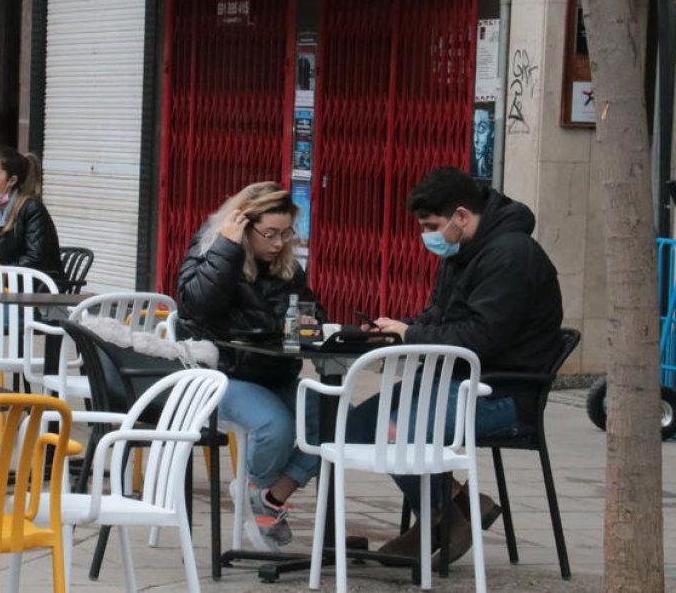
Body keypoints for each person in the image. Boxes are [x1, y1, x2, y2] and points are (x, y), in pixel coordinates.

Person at [353, 166, 564, 565]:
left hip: (502, 394)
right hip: (452, 382)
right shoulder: (464, 251)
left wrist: (410, 335)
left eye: (432, 225)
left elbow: (481, 339)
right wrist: (396, 329)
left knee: (398, 430)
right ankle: (458, 508)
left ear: (462, 216)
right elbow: (442, 317)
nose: (428, 236)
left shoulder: (511, 256)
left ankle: (443, 521)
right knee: (362, 424)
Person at [175, 181, 323, 550]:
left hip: (274, 370)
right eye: (269, 234)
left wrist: (309, 323)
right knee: (276, 426)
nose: (278, 243)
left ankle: (267, 497)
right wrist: (226, 247)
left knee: (333, 419)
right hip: (222, 373)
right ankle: (258, 497)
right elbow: (195, 305)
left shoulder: (285, 264)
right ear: (243, 225)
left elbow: (310, 312)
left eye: (286, 233)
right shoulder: (211, 250)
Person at [0, 146, 63, 280]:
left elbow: (36, 259)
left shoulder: (32, 209)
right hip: (5, 285)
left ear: (12, 180)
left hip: (37, 288)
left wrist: (0, 275)